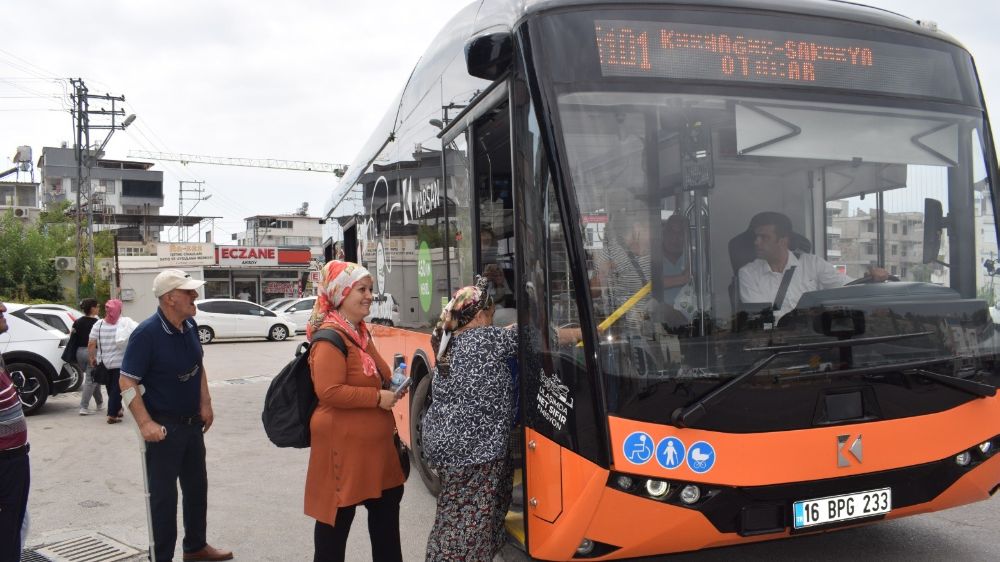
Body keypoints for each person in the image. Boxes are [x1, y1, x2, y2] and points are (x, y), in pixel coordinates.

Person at [119, 270, 233, 562]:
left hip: (192, 424)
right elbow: (126, 381)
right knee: (164, 500)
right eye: (188, 292)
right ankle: (162, 557)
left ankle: (195, 547)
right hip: (164, 429)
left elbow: (198, 365)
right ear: (170, 298)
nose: (195, 296)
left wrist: (205, 401)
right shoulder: (147, 334)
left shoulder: (190, 325)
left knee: (197, 490)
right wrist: (145, 423)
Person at [304, 260, 405, 562]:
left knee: (386, 516)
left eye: (370, 289)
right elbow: (329, 391)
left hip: (374, 451)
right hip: (342, 450)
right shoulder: (329, 337)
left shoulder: (358, 332)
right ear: (341, 293)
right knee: (335, 525)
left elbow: (383, 372)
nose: (369, 295)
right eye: (361, 289)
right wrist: (377, 398)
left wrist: (394, 383)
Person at [423, 276, 517, 561]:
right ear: (477, 316)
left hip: (447, 445)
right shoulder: (487, 339)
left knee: (453, 513)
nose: (492, 320)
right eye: (490, 314)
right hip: (475, 450)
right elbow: (532, 335)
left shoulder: (447, 342)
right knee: (471, 523)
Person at [738, 212, 888, 322]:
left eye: (764, 237)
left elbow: (848, 288)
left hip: (815, 338)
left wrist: (872, 279)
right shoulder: (748, 273)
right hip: (776, 344)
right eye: (756, 237)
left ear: (783, 240)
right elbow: (761, 319)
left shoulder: (813, 264)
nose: (756, 242)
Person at [0, 300, 31, 560]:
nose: (3, 309)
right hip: (5, 460)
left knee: (18, 524)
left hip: (14, 457)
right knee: (9, 529)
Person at [89, 299, 132, 424]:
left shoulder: (99, 324)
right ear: (119, 310)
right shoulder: (123, 324)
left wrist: (92, 358)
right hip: (121, 363)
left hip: (105, 363)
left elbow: (91, 343)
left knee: (112, 388)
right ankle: (112, 414)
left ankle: (117, 409)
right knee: (115, 389)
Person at [73, 298, 103, 415]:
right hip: (92, 352)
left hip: (79, 352)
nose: (99, 308)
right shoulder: (97, 323)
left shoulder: (77, 321)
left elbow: (72, 336)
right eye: (97, 306)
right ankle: (83, 407)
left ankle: (100, 403)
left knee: (95, 378)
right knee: (91, 380)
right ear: (92, 308)